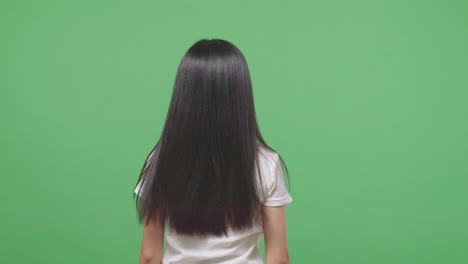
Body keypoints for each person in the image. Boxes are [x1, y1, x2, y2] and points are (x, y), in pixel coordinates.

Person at [133, 38, 293, 264]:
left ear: (183, 95)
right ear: (241, 95)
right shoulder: (267, 163)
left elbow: (149, 256)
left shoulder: (161, 159)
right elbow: (279, 258)